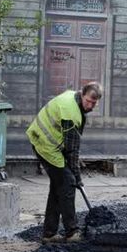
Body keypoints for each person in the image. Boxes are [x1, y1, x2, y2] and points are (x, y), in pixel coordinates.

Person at [27, 82, 103, 243]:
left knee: (58, 187)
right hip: (46, 146)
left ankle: (49, 233)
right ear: (82, 95)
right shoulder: (71, 114)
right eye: (89, 101)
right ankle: (72, 232)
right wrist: (78, 177)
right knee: (68, 183)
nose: (91, 106)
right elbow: (72, 151)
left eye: (94, 103)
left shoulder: (73, 97)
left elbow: (71, 148)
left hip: (45, 141)